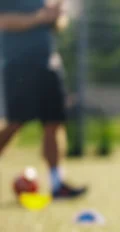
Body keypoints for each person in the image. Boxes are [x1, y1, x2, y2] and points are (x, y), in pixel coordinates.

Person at [0, 0, 87, 199]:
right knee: (15, 123)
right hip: (19, 64)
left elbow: (57, 25)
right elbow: (3, 20)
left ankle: (57, 185)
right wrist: (39, 17)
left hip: (49, 62)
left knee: (54, 122)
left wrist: (56, 16)